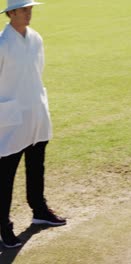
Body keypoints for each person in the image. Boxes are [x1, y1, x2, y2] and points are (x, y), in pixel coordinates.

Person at [0, 0, 66, 249]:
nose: (29, 13)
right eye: (24, 9)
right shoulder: (2, 44)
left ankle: (39, 210)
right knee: (5, 176)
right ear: (11, 13)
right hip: (10, 119)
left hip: (36, 113)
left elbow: (37, 73)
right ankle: (3, 226)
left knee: (37, 164)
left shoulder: (36, 38)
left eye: (30, 9)